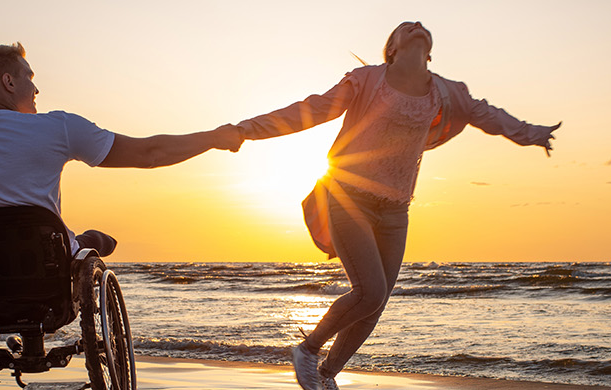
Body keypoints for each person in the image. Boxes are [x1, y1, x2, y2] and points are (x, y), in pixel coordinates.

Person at [226, 22, 560, 390]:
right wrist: (247, 129)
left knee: (377, 301)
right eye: (406, 26)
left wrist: (534, 134)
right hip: (348, 197)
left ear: (429, 51)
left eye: (421, 27)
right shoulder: (367, 80)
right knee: (368, 291)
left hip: (396, 210)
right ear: (392, 47)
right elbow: (312, 110)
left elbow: (489, 115)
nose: (416, 26)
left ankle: (326, 375)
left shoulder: (447, 93)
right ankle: (308, 350)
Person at [0, 42, 243, 319]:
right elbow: (150, 154)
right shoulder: (59, 128)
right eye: (29, 78)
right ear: (8, 82)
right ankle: (90, 240)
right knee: (83, 243)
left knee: (50, 241)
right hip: (51, 276)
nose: (36, 90)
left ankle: (88, 239)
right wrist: (212, 137)